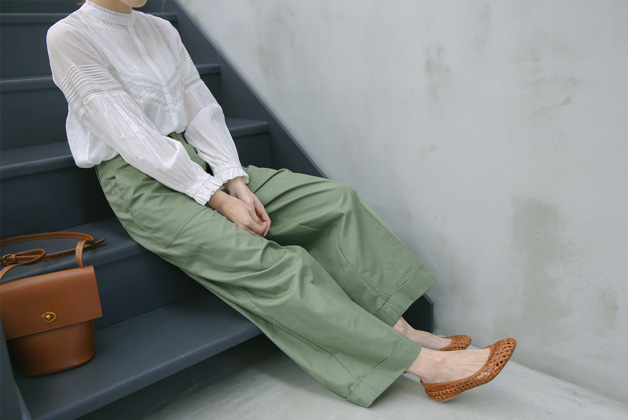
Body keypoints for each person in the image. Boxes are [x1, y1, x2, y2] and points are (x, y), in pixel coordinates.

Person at [46, 0, 515, 407]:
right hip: (140, 182)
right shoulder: (70, 35)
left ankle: (402, 329)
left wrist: (233, 179)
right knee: (272, 264)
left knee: (334, 201)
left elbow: (200, 107)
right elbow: (133, 137)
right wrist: (217, 199)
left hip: (195, 161)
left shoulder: (160, 28)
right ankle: (425, 366)